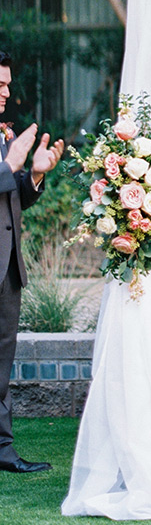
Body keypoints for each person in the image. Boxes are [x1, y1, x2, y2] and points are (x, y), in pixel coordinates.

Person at [0, 50, 64, 473]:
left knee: (0, 367)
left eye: (6, 84)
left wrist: (34, 175)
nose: (5, 92)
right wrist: (10, 163)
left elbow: (11, 196)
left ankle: (2, 451)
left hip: (6, 270)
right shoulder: (7, 146)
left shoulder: (3, 136)